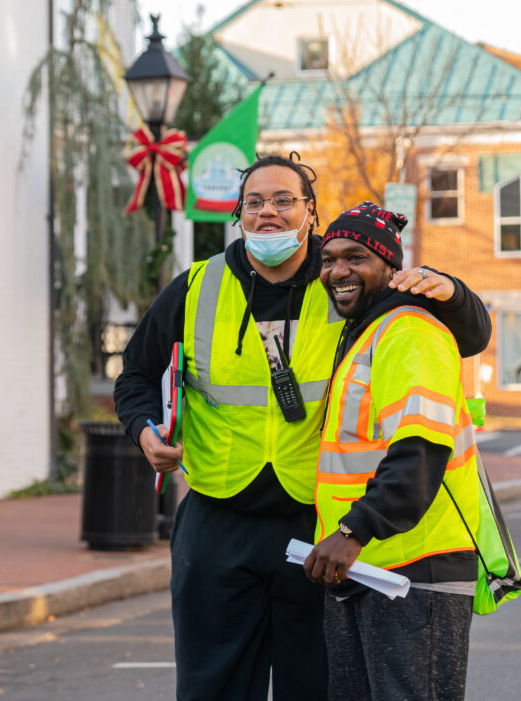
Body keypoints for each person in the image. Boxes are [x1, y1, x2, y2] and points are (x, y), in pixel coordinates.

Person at [113, 154, 490, 701]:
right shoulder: (196, 286)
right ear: (238, 215)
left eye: (284, 200)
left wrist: (449, 287)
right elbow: (136, 375)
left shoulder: (342, 274)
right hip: (217, 518)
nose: (268, 212)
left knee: (316, 686)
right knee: (210, 686)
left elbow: (465, 333)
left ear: (310, 212)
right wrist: (144, 428)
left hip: (314, 524)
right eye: (255, 202)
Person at [303, 202, 482, 701]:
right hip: (364, 566)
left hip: (411, 570)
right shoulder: (364, 331)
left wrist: (353, 530)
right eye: (329, 258)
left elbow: (420, 450)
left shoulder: (409, 332)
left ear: (391, 267)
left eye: (355, 257)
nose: (338, 270)